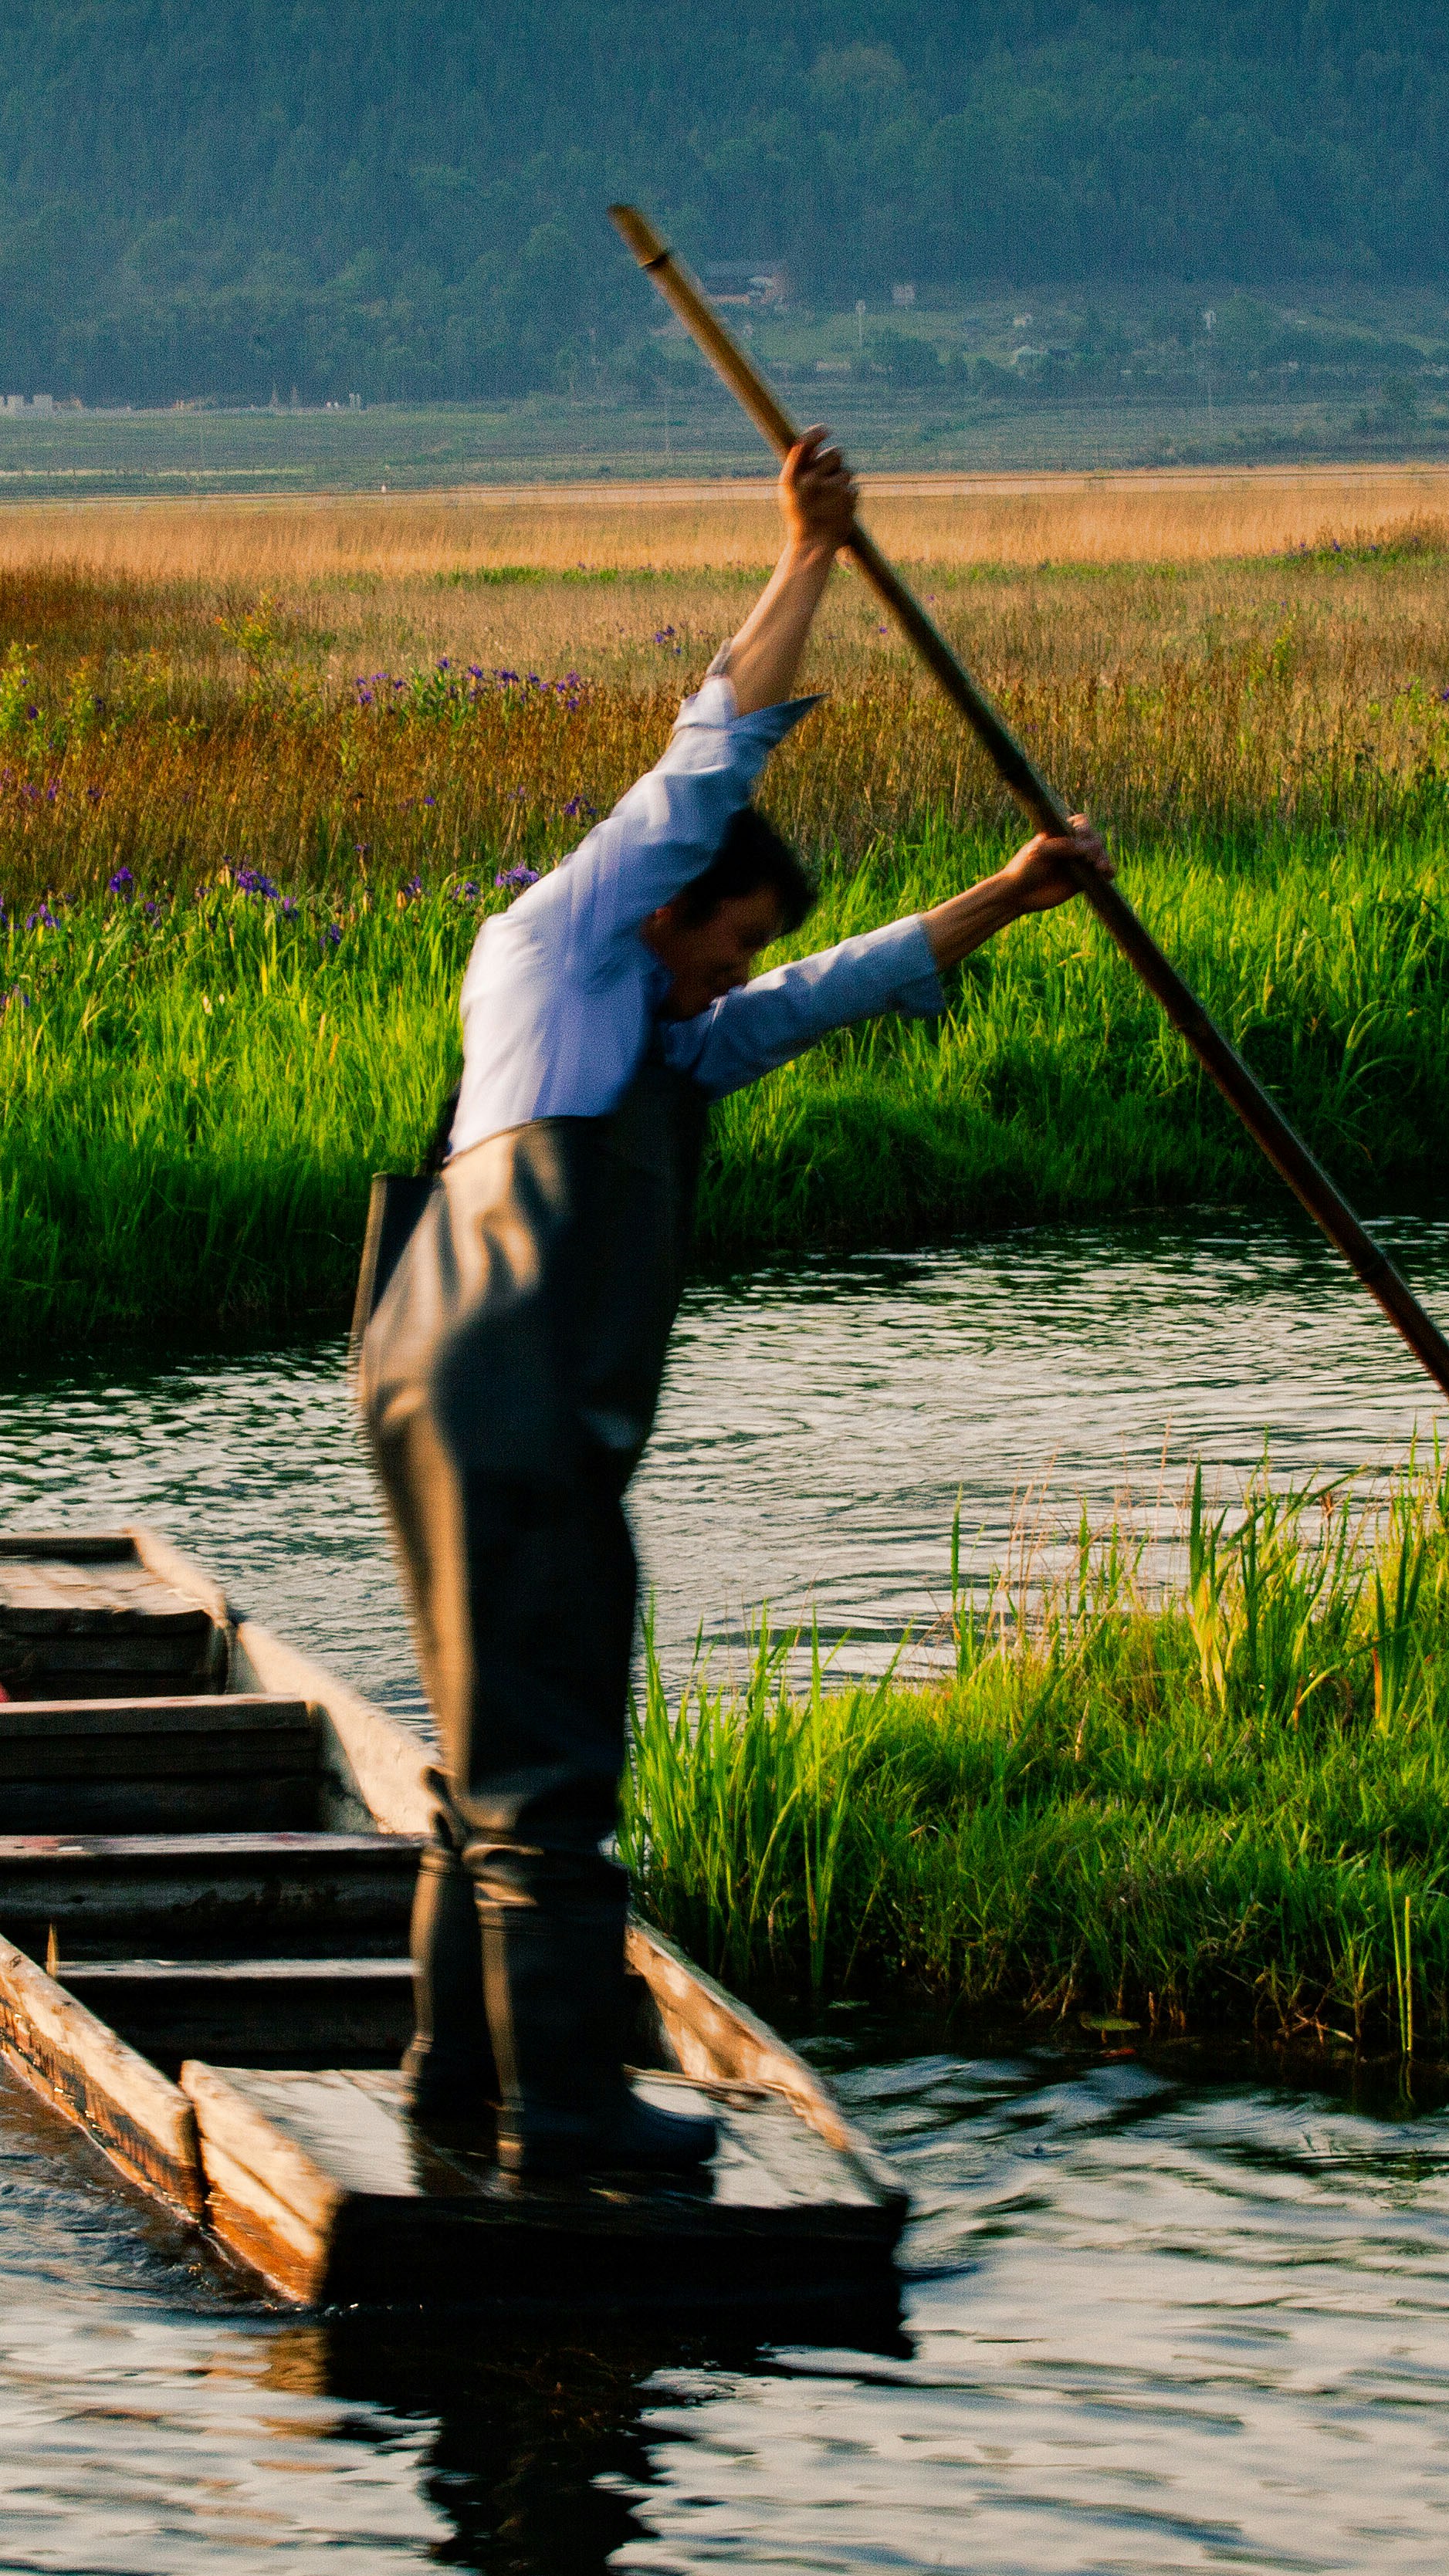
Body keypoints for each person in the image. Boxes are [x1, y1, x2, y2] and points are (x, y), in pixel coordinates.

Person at [357, 425, 1107, 2179]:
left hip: (460, 1380)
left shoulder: (659, 1043)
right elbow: (701, 768)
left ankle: (451, 2089)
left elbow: (830, 999)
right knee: (551, 1777)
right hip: (509, 1384)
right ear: (666, 910)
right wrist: (808, 560)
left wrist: (1012, 894)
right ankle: (566, 2118)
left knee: (491, 1768)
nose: (736, 976)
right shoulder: (556, 950)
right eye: (726, 941)